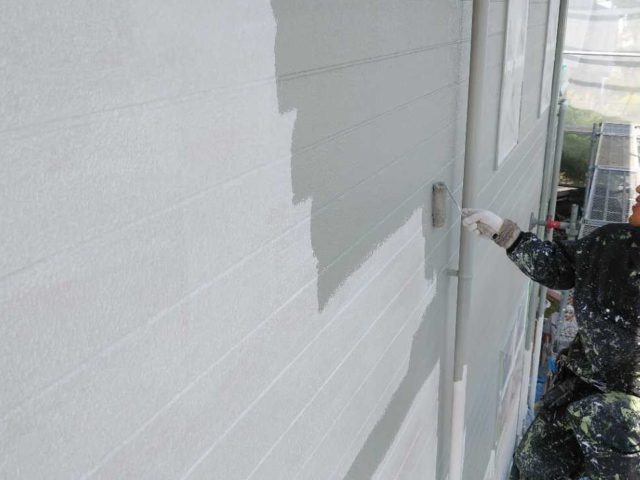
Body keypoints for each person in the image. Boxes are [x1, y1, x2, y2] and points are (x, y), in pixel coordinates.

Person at [462, 190, 640, 479]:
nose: (638, 190)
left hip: (627, 414)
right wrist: (506, 234)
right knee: (534, 462)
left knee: (610, 418)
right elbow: (560, 267)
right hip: (583, 386)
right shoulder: (614, 242)